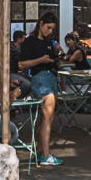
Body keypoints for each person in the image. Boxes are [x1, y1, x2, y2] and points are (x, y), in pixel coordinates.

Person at [12, 13, 67, 167]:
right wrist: (40, 60)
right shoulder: (29, 42)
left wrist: (57, 54)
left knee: (47, 118)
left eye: (52, 29)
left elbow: (53, 62)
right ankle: (46, 155)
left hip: (51, 78)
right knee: (47, 118)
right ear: (41, 24)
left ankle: (41, 151)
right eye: (48, 28)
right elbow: (21, 65)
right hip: (41, 79)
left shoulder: (49, 42)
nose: (50, 31)